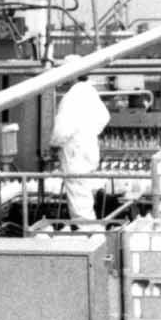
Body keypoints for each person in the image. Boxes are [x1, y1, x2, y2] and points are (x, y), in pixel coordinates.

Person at [49, 60, 111, 220]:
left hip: (75, 155)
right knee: (85, 194)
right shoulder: (90, 92)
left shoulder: (71, 97)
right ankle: (92, 229)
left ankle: (89, 233)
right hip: (89, 150)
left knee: (80, 204)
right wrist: (88, 133)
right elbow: (104, 117)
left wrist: (53, 144)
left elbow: (62, 130)